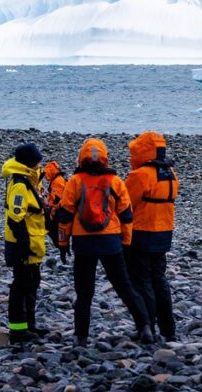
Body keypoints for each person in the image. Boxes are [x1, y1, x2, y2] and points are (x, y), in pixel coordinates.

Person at [57, 138, 152, 347]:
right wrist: (126, 243)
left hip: (83, 242)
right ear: (104, 157)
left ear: (81, 157)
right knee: (124, 286)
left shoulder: (75, 181)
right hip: (110, 240)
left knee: (84, 292)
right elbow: (126, 215)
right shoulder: (114, 181)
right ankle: (145, 326)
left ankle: (80, 337)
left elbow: (64, 216)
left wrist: (63, 244)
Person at [124, 131, 179, 342]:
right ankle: (168, 329)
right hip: (164, 232)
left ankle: (146, 327)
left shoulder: (140, 175)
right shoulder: (171, 173)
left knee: (141, 281)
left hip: (141, 232)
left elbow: (126, 203)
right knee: (159, 279)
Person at [2, 142, 47, 343]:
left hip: (32, 242)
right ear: (29, 162)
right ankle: (18, 330)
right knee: (21, 285)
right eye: (38, 160)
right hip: (22, 244)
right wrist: (24, 245)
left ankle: (30, 325)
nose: (41, 163)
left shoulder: (30, 180)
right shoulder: (20, 184)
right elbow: (16, 218)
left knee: (32, 283)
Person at [43, 160, 67, 247]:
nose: (45, 176)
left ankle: (59, 245)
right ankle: (59, 244)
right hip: (58, 209)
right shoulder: (57, 180)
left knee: (52, 227)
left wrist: (51, 208)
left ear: (51, 172)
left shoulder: (57, 181)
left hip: (58, 211)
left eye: (47, 173)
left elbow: (57, 198)